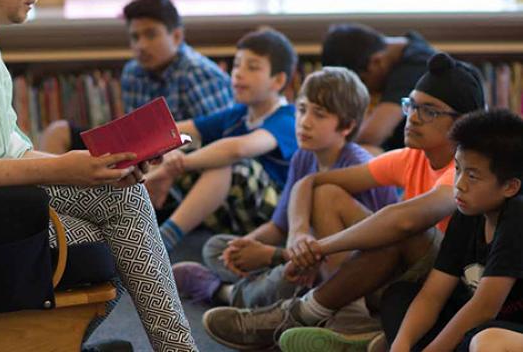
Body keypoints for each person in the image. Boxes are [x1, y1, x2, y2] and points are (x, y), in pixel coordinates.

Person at [0, 0, 196, 352]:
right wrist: (65, 167)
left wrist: (96, 166)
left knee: (120, 192)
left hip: (9, 202)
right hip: (1, 210)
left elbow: (10, 150)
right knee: (115, 224)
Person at [202, 52, 485, 351]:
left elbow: (406, 221)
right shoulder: (409, 158)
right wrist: (299, 235)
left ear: (463, 123)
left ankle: (296, 311)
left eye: (429, 111)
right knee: (327, 195)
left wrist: (315, 249)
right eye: (411, 105)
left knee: (400, 229)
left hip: (454, 289)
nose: (412, 117)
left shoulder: (464, 170)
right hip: (392, 279)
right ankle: (347, 316)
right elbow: (310, 183)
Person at [171, 67, 398, 310]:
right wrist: (246, 245)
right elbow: (279, 226)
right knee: (217, 248)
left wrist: (271, 255)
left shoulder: (358, 166)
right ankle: (265, 295)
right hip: (301, 256)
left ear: (346, 126)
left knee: (285, 279)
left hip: (345, 273)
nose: (304, 122)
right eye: (301, 110)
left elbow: (357, 256)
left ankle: (223, 292)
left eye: (319, 115)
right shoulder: (303, 157)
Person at [144, 28, 299, 253]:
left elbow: (240, 148)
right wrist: (167, 155)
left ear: (278, 80)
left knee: (225, 160)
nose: (238, 73)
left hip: (275, 214)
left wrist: (173, 168)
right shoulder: (237, 114)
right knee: (178, 146)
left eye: (252, 67)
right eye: (236, 65)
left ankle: (164, 238)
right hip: (234, 215)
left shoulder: (287, 118)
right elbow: (177, 130)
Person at [388, 109, 523, 352]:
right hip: (479, 325)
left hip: (509, 331)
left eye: (472, 176)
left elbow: (485, 307)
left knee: (484, 341)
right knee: (399, 298)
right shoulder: (469, 210)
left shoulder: (518, 215)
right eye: (458, 169)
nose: (459, 185)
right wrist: (401, 344)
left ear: (510, 187)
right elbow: (434, 293)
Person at [39, 0, 233, 154]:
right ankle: (48, 198)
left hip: (183, 159)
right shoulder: (133, 72)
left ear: (176, 36)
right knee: (58, 133)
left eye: (151, 35)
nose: (141, 45)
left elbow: (221, 140)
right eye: (135, 37)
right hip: (142, 152)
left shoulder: (199, 73)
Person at [322, 23, 435, 153]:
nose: (367, 92)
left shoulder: (416, 67)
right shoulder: (409, 46)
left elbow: (371, 135)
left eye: (363, 83)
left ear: (377, 61)